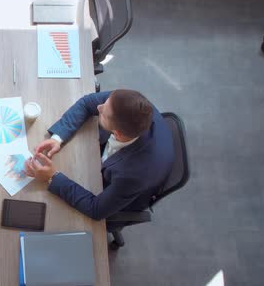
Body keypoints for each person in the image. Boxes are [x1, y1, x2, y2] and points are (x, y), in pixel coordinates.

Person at [24, 90, 174, 225]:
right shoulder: (130, 104)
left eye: (103, 114)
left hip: (119, 193)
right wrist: (58, 138)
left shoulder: (134, 176)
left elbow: (96, 209)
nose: (99, 107)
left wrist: (51, 177)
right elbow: (87, 103)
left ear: (118, 133)